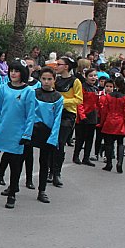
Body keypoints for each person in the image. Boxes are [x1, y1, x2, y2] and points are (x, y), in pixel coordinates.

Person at [0, 59, 36, 209]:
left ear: (22, 73)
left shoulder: (28, 91)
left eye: (16, 71)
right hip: (1, 131)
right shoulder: (4, 88)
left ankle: (12, 194)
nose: (13, 73)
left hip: (17, 133)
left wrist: (26, 135)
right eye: (11, 70)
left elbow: (30, 116)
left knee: (15, 165)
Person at [28, 67, 63, 203]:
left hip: (47, 133)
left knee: (44, 162)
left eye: (49, 79)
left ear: (54, 80)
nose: (46, 82)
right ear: (40, 79)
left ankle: (42, 190)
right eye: (44, 79)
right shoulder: (33, 93)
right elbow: (29, 113)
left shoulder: (58, 98)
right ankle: (14, 188)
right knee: (22, 158)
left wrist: (53, 138)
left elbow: (57, 119)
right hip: (32, 130)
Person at [50, 56, 82, 187]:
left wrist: (63, 101)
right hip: (53, 113)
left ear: (67, 66)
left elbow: (79, 99)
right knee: (51, 142)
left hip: (68, 115)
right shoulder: (55, 79)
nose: (56, 66)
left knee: (60, 142)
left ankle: (57, 172)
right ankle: (49, 171)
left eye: (59, 64)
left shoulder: (75, 82)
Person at [99, 76, 125, 173]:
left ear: (115, 84)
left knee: (108, 143)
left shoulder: (108, 96)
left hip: (109, 121)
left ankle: (109, 163)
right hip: (120, 122)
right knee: (120, 143)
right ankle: (119, 162)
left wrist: (102, 123)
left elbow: (104, 111)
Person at [73, 68, 99, 166]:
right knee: (80, 138)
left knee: (90, 139)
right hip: (82, 117)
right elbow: (80, 103)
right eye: (91, 76)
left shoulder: (96, 89)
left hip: (92, 116)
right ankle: (76, 156)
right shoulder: (82, 88)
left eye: (95, 75)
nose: (93, 78)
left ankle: (86, 158)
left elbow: (97, 104)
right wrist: (82, 116)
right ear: (86, 77)